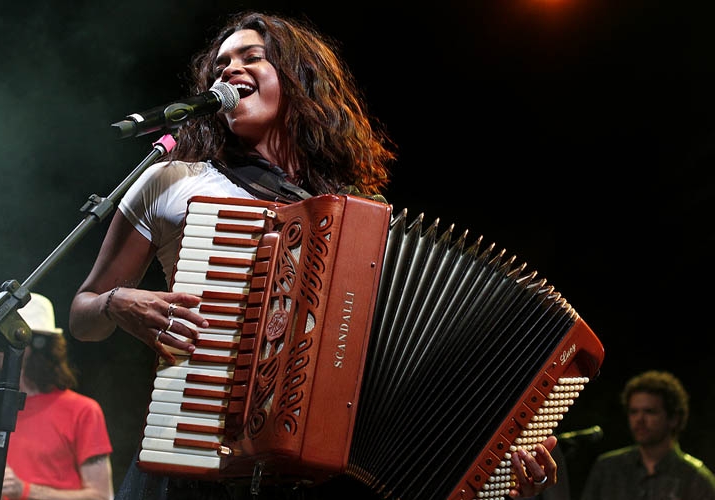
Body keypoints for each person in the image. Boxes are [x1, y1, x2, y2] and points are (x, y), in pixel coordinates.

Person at [68, 10, 559, 500]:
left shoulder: (360, 219)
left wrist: (497, 468)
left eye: (251, 57)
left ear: (299, 80)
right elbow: (82, 313)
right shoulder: (175, 180)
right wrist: (116, 303)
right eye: (220, 65)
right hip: (197, 457)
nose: (229, 70)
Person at [0, 293, 114, 500]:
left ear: (41, 344)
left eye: (8, 339)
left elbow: (101, 496)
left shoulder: (83, 411)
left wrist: (26, 491)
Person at [580, 369, 715, 500]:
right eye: (634, 412)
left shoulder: (696, 479)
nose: (639, 420)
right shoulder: (607, 469)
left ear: (674, 418)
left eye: (650, 411)